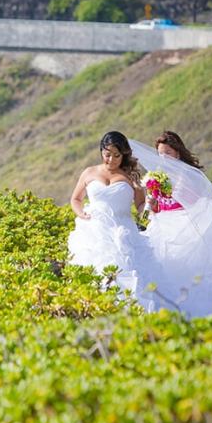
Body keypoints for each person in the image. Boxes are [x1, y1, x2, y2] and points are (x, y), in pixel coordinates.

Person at [132, 131, 212, 319]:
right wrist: (152, 201)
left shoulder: (187, 175)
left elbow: (197, 202)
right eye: (160, 154)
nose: (164, 158)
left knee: (192, 271)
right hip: (162, 224)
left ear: (177, 153)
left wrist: (171, 193)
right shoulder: (156, 176)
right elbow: (156, 207)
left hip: (185, 223)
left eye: (168, 153)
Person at [67, 131, 174, 312]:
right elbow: (75, 199)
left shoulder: (131, 176)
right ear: (102, 152)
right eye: (107, 155)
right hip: (95, 230)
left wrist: (149, 204)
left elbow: (140, 205)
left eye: (117, 156)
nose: (111, 160)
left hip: (123, 231)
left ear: (124, 154)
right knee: (96, 272)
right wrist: (81, 214)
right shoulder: (89, 172)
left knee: (129, 274)